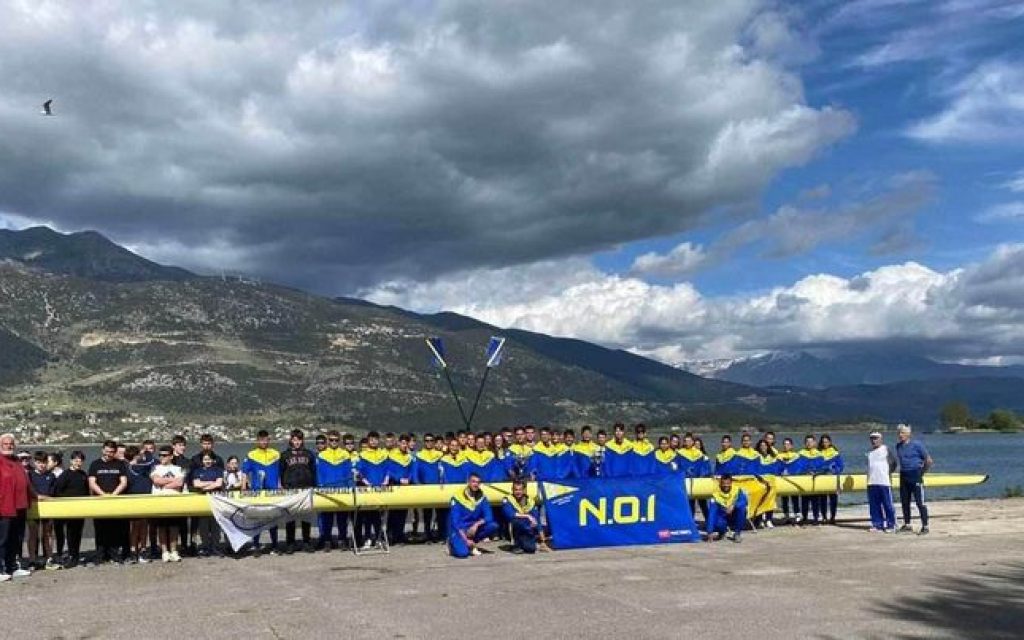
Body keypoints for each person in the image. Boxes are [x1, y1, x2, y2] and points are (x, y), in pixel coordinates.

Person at [87, 440, 129, 564]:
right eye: (106, 451)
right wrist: (103, 495)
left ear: (115, 452)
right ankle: (100, 555)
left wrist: (113, 495)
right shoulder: (95, 464)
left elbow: (123, 482)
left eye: (111, 452)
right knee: (100, 528)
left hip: (115, 501)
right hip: (99, 501)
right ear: (102, 450)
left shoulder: (120, 464)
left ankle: (114, 555)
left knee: (115, 529)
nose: (108, 454)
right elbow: (92, 482)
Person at [241, 429, 281, 555]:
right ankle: (256, 545)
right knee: (257, 520)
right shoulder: (251, 455)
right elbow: (244, 472)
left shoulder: (276, 454)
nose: (264, 442)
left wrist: (280, 486)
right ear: (257, 440)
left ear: (269, 440)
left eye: (266, 440)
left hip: (272, 492)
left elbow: (280, 472)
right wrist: (243, 488)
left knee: (272, 519)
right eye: (261, 440)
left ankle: (275, 545)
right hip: (257, 492)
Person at [1, 433, 34, 580]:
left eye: (11, 444)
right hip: (4, 507)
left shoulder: (16, 461)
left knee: (16, 538)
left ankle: (12, 567)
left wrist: (36, 495)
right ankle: (1, 569)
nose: (9, 446)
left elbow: (26, 482)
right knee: (3, 539)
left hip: (20, 506)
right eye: (5, 443)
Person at [279, 429, 316, 553]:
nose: (297, 442)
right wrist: (282, 485)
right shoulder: (285, 455)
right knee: (290, 518)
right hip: (290, 490)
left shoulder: (309, 454)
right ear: (291, 440)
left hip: (306, 489)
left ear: (302, 440)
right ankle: (290, 543)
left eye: (299, 440)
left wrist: (314, 485)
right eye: (294, 440)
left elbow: (313, 471)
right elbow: (281, 472)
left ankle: (307, 542)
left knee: (306, 518)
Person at [316, 430, 353, 551]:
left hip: (342, 489)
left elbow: (349, 473)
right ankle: (327, 541)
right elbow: (319, 474)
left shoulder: (345, 454)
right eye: (331, 440)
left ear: (340, 441)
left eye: (336, 440)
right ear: (327, 441)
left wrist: (351, 487)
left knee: (342, 518)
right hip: (327, 490)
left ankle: (342, 540)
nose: (334, 442)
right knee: (327, 518)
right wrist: (320, 487)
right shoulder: (322, 455)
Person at [51, 451, 89, 568]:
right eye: (76, 460)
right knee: (70, 533)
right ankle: (69, 555)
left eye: (80, 461)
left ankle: (75, 555)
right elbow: (57, 491)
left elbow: (87, 491)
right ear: (71, 461)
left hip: (80, 508)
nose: (78, 463)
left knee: (77, 532)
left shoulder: (83, 474)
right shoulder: (65, 475)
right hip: (67, 508)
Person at [448, 473, 498, 558]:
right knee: (463, 554)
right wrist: (466, 540)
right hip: (459, 530)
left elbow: (489, 517)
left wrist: (476, 525)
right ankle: (452, 545)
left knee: (493, 525)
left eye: (478, 482)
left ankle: (472, 543)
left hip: (472, 529)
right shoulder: (457, 497)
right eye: (473, 482)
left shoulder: (482, 497)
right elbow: (455, 523)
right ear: (468, 482)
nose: (476, 484)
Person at [355, 431, 390, 549]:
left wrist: (386, 480)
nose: (373, 441)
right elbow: (359, 472)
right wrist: (366, 483)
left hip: (381, 488)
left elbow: (387, 469)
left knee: (379, 517)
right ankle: (368, 538)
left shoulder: (383, 454)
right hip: (368, 489)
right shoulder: (363, 455)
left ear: (378, 440)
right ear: (368, 441)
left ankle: (379, 539)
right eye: (371, 439)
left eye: (375, 439)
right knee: (368, 516)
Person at [150, 446, 185, 562]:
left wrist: (164, 484)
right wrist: (172, 481)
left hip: (174, 501)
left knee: (174, 526)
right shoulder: (155, 468)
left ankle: (174, 550)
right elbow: (156, 480)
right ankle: (164, 551)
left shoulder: (178, 468)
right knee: (162, 527)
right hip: (160, 501)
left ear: (171, 456)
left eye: (164, 455)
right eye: (160, 455)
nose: (162, 457)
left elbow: (179, 483)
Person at [895, 424, 932, 535]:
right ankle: (907, 524)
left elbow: (928, 460)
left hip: (915, 475)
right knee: (904, 501)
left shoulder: (917, 445)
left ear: (908, 434)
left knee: (920, 502)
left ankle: (925, 526)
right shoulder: (898, 446)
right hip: (904, 475)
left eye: (903, 433)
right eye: (899, 433)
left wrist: (921, 472)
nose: (900, 435)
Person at [191, 452, 225, 556]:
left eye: (209, 459)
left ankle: (216, 547)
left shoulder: (218, 470)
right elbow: (196, 484)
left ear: (213, 460)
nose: (207, 461)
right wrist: (211, 483)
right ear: (202, 461)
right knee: (203, 525)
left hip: (216, 500)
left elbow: (219, 483)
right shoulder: (197, 471)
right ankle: (205, 547)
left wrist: (204, 487)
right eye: (205, 460)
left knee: (215, 525)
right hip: (202, 501)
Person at [126, 445, 154, 563]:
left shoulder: (129, 467)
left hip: (144, 498)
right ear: (136, 456)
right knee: (137, 526)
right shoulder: (135, 467)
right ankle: (135, 550)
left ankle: (141, 550)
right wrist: (146, 452)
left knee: (142, 525)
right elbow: (151, 461)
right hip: (136, 499)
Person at [27, 451, 55, 569]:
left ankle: (48, 558)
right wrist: (39, 497)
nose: (42, 465)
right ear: (34, 462)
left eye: (44, 462)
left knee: (47, 534)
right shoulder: (29, 475)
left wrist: (45, 498)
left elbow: (53, 492)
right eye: (39, 462)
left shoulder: (51, 475)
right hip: (33, 508)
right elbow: (29, 490)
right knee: (33, 534)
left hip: (48, 508)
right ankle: (32, 560)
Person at [414, 433, 445, 542]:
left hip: (438, 487)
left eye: (431, 440)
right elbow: (415, 471)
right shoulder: (419, 455)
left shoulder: (440, 455)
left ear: (434, 442)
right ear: (424, 442)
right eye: (427, 440)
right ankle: (427, 534)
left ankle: (441, 535)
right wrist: (417, 483)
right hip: (425, 487)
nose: (429, 442)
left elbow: (443, 470)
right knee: (427, 513)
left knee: (440, 513)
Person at [386, 435, 415, 545]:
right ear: (398, 443)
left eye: (406, 443)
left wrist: (409, 479)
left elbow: (412, 470)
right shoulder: (392, 455)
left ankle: (399, 536)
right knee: (393, 513)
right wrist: (399, 479)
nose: (404, 445)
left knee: (403, 513)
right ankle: (390, 536)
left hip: (405, 487)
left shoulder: (409, 457)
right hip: (395, 485)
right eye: (402, 443)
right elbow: (389, 471)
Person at [866, 431, 897, 533]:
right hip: (872, 481)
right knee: (874, 505)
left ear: (881, 439)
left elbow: (894, 463)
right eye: (872, 439)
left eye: (876, 438)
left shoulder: (886, 449)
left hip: (884, 481)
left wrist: (887, 473)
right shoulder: (870, 452)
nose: (874, 441)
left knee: (887, 504)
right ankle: (877, 524)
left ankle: (891, 524)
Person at [706, 474, 747, 543]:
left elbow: (744, 501)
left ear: (731, 483)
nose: (726, 485)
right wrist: (709, 531)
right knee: (717, 522)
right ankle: (722, 532)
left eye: (728, 483)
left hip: (734, 516)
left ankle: (737, 534)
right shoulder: (715, 494)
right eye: (723, 483)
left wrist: (734, 505)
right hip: (722, 516)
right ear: (720, 483)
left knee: (741, 508)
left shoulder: (737, 490)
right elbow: (712, 513)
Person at [502, 480, 540, 554]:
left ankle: (526, 544)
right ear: (512, 490)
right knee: (516, 522)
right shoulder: (507, 499)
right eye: (516, 490)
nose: (518, 492)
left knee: (531, 549)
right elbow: (510, 514)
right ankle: (515, 545)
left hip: (527, 527)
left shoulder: (530, 500)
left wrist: (534, 523)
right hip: (514, 526)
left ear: (524, 490)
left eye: (520, 490)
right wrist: (527, 516)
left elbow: (536, 516)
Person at [819, 434, 845, 525]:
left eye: (826, 442)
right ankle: (824, 517)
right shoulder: (819, 453)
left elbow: (841, 466)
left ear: (830, 442)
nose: (825, 443)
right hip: (822, 478)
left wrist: (834, 470)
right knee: (823, 499)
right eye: (823, 442)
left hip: (833, 478)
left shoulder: (835, 453)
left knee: (833, 499)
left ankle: (833, 517)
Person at [776, 438, 800, 525]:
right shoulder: (779, 456)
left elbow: (798, 467)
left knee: (795, 498)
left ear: (791, 445)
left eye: (788, 444)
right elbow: (777, 467)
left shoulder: (796, 455)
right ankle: (786, 516)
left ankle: (797, 515)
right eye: (785, 444)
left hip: (793, 480)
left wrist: (792, 472)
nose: (786, 446)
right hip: (783, 480)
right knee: (784, 499)